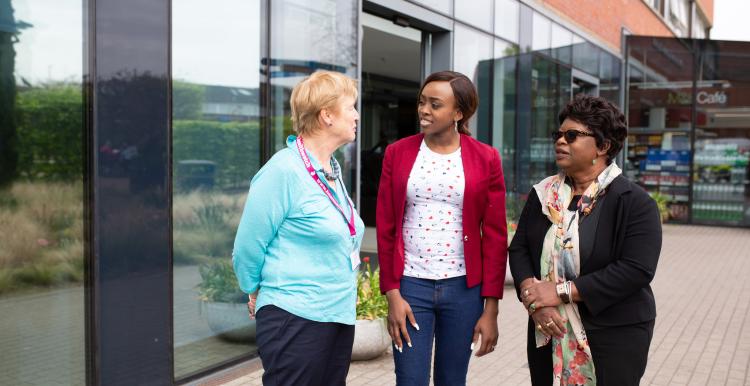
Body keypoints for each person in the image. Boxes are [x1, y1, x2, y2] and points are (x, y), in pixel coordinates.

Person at [509, 94, 662, 386]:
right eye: (558, 134)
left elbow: (636, 269)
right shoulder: (543, 195)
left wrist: (560, 292)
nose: (560, 141)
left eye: (572, 135)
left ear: (603, 146)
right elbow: (519, 249)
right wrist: (536, 300)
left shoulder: (634, 202)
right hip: (548, 327)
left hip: (614, 332)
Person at [232, 70, 365, 386]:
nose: (357, 115)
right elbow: (248, 246)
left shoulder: (330, 169)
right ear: (327, 116)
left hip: (337, 315)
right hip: (294, 317)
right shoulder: (283, 171)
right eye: (351, 107)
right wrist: (253, 289)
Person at [376, 71, 508, 386]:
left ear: (458, 113)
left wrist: (491, 309)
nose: (424, 110)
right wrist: (392, 293)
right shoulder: (398, 152)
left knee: (452, 379)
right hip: (411, 286)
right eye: (422, 102)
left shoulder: (486, 157)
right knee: (409, 379)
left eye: (435, 105)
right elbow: (385, 226)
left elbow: (494, 236)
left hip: (464, 289)